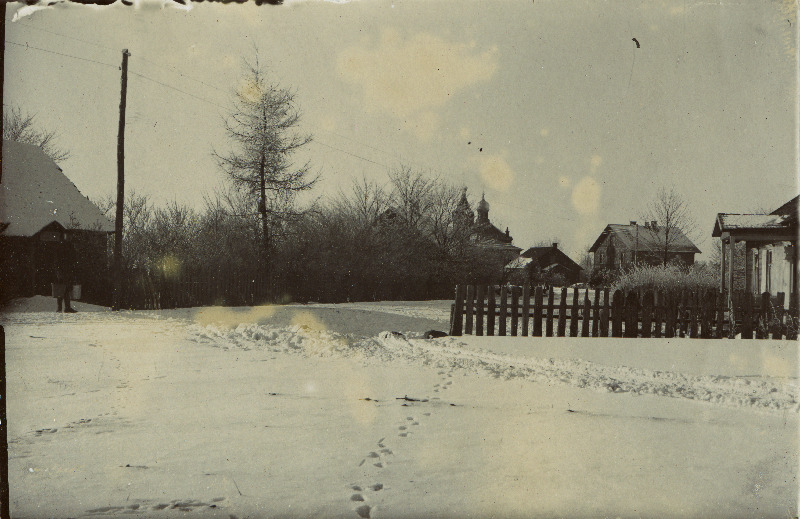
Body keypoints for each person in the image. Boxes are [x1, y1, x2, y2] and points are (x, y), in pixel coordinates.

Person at [54, 241, 77, 313]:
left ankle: (65, 307)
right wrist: (59, 274)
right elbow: (57, 265)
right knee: (62, 290)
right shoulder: (61, 255)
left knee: (65, 290)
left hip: (66, 273)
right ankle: (61, 308)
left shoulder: (64, 255)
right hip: (63, 274)